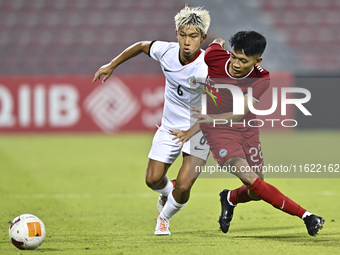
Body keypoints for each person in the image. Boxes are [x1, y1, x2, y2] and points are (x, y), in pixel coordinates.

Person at [192, 31, 325, 236]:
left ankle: (230, 198)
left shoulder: (261, 78)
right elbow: (215, 44)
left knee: (255, 191)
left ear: (257, 60)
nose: (235, 63)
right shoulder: (214, 56)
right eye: (234, 56)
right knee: (250, 178)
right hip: (218, 130)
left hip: (246, 128)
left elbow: (239, 114)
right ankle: (306, 216)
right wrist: (216, 40)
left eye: (243, 61)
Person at [92, 6, 211, 236]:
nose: (187, 41)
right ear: (176, 33)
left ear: (202, 38)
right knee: (152, 179)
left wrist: (192, 131)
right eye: (183, 35)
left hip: (199, 131)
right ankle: (168, 191)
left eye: (193, 36)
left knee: (185, 185)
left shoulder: (208, 67)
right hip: (169, 128)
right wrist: (112, 65)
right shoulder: (165, 51)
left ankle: (163, 218)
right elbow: (140, 46)